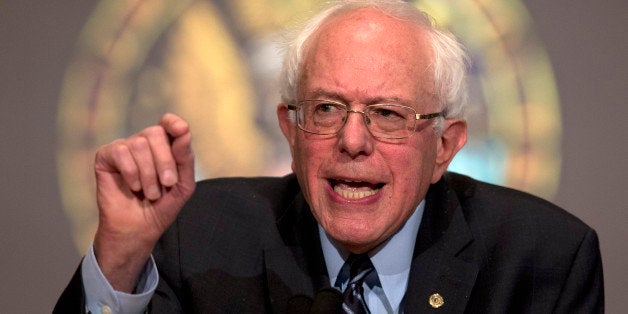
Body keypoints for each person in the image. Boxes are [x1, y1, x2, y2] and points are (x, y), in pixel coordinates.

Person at [55, 0, 604, 313]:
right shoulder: (196, 236)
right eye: (325, 109)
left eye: (388, 114)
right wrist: (121, 260)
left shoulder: (544, 262)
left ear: (445, 146)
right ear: (289, 130)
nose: (352, 140)